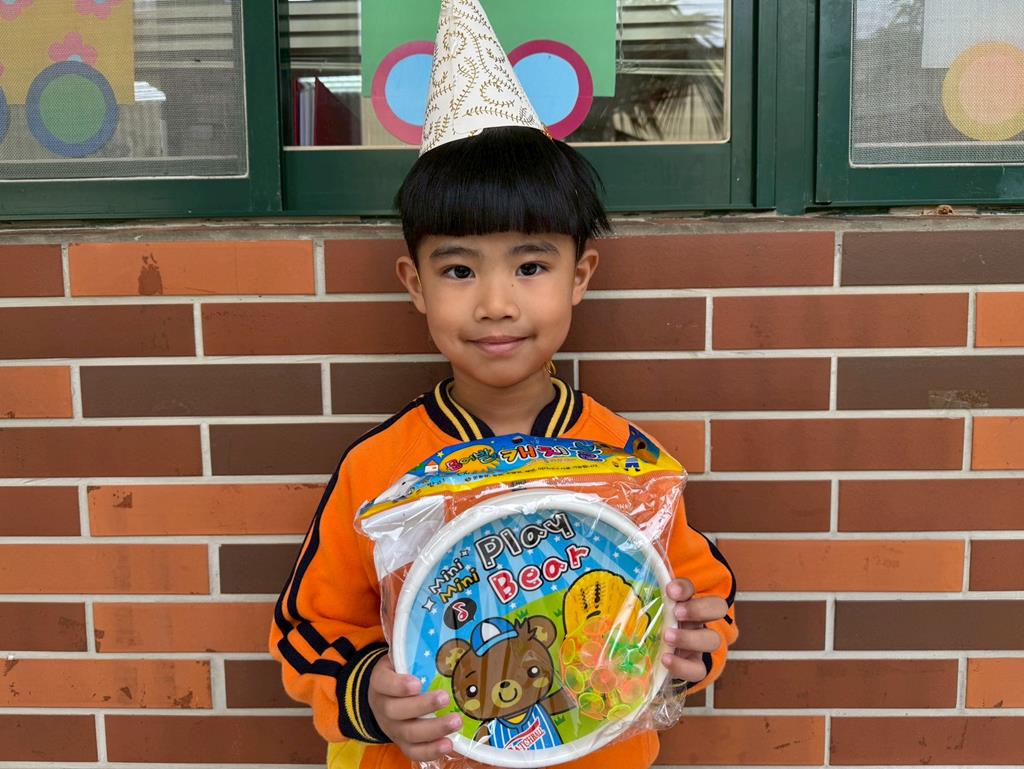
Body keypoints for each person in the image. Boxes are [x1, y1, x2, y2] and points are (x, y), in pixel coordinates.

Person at [269, 2, 737, 768]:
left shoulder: (628, 463)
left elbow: (702, 592)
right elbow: (305, 629)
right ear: (414, 284)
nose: (495, 302)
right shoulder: (377, 470)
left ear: (580, 275)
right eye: (459, 269)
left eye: (530, 265)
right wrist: (367, 692)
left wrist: (693, 643)